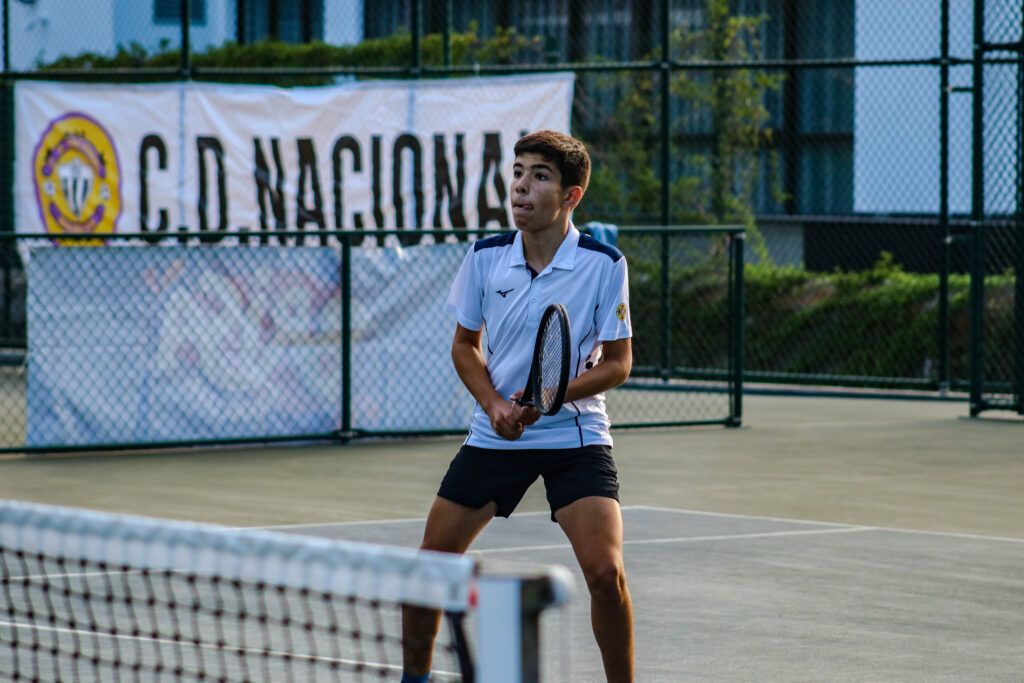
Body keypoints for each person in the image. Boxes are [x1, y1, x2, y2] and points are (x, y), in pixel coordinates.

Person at [401, 130, 634, 683]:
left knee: (606, 575)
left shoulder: (604, 264)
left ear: (571, 196)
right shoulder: (485, 257)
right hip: (494, 434)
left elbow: (618, 363)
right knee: (430, 567)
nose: (521, 187)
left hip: (575, 436)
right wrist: (494, 405)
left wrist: (550, 398)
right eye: (518, 173)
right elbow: (465, 345)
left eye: (539, 176)